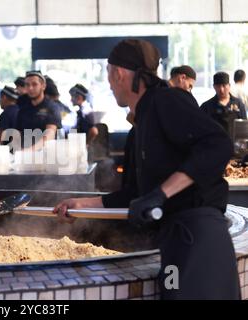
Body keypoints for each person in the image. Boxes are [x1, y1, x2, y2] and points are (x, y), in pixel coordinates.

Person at [53, 39, 240, 300]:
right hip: (174, 244)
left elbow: (218, 145)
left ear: (118, 73)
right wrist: (81, 204)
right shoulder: (142, 121)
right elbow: (138, 194)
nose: (108, 83)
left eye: (108, 74)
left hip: (198, 238)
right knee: (174, 295)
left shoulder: (167, 100)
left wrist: (161, 193)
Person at [16, 71, 62, 150]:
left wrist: (30, 150)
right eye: (27, 85)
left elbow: (50, 134)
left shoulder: (52, 107)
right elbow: (17, 133)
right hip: (24, 156)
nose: (30, 88)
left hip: (46, 156)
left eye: (34, 84)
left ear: (43, 86)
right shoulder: (23, 109)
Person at [201, 72, 247, 138]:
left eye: (224, 86)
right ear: (214, 87)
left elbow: (244, 126)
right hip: (215, 145)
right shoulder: (207, 106)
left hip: (234, 145)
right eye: (218, 86)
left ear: (229, 86)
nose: (221, 89)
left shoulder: (238, 104)